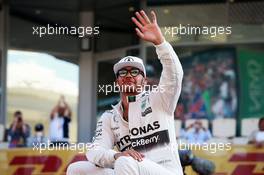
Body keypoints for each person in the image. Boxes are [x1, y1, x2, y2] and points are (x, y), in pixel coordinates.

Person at [67, 10, 184, 175]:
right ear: (117, 82)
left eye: (135, 72)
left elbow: (174, 76)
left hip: (166, 171)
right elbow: (94, 150)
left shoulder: (159, 98)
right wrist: (116, 155)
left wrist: (161, 43)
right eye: (123, 73)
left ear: (144, 81)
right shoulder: (110, 116)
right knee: (77, 169)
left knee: (125, 162)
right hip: (128, 168)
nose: (128, 75)